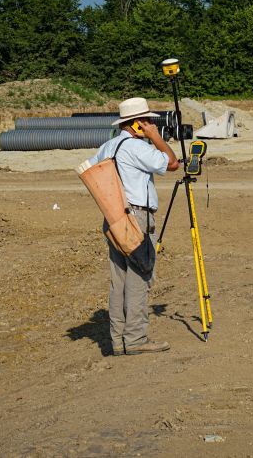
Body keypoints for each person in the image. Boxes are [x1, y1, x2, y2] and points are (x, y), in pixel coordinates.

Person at [87, 97, 180, 355]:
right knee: (140, 277)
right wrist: (156, 137)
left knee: (119, 280)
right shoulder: (136, 148)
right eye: (147, 121)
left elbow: (91, 170)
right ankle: (137, 339)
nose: (151, 124)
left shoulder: (108, 147)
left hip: (114, 218)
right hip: (137, 218)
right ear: (137, 123)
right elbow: (172, 163)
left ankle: (118, 340)